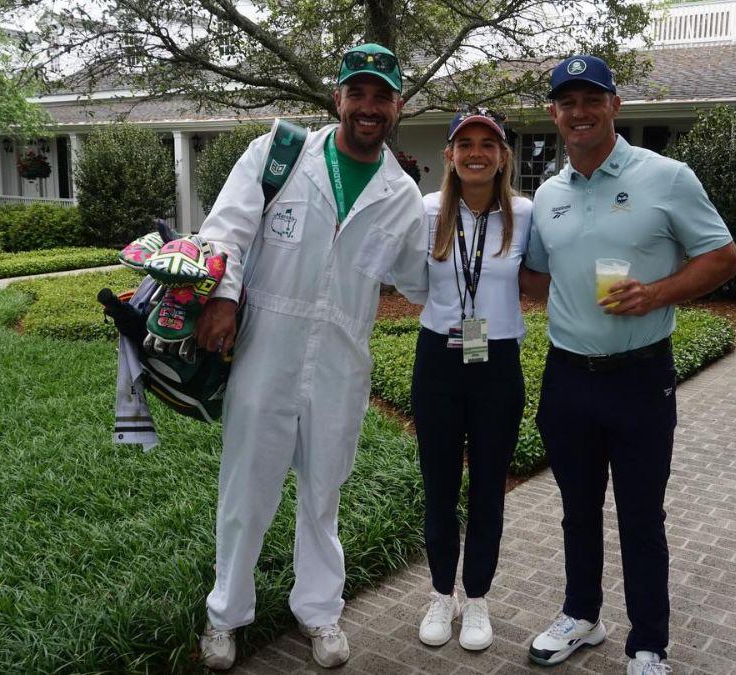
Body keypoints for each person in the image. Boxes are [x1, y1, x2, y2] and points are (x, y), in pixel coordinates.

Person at [191, 43, 428, 671]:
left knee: (324, 493)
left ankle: (319, 610)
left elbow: (420, 280)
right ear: (338, 98)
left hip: (341, 364)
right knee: (246, 490)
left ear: (398, 106)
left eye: (382, 96)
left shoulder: (402, 195)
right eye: (358, 93)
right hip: (265, 349)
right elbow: (225, 229)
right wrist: (222, 296)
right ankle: (226, 616)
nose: (369, 107)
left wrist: (475, 254)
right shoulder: (281, 153)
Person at [520, 55, 736, 675]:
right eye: (568, 102)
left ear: (615, 105)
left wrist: (656, 293)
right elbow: (536, 277)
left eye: (592, 100)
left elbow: (723, 257)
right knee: (578, 509)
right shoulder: (549, 195)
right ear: (554, 113)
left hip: (641, 376)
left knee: (641, 515)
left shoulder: (666, 177)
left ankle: (648, 644)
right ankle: (581, 615)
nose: (580, 113)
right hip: (567, 377)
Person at [411, 109, 532, 651]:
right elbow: (409, 280)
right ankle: (442, 593)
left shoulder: (524, 214)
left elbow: (541, 275)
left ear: (503, 156)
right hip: (438, 358)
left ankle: (478, 596)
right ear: (450, 155)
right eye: (465, 144)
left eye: (487, 144)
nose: (476, 153)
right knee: (439, 485)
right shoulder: (426, 211)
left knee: (488, 488)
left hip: (497, 361)